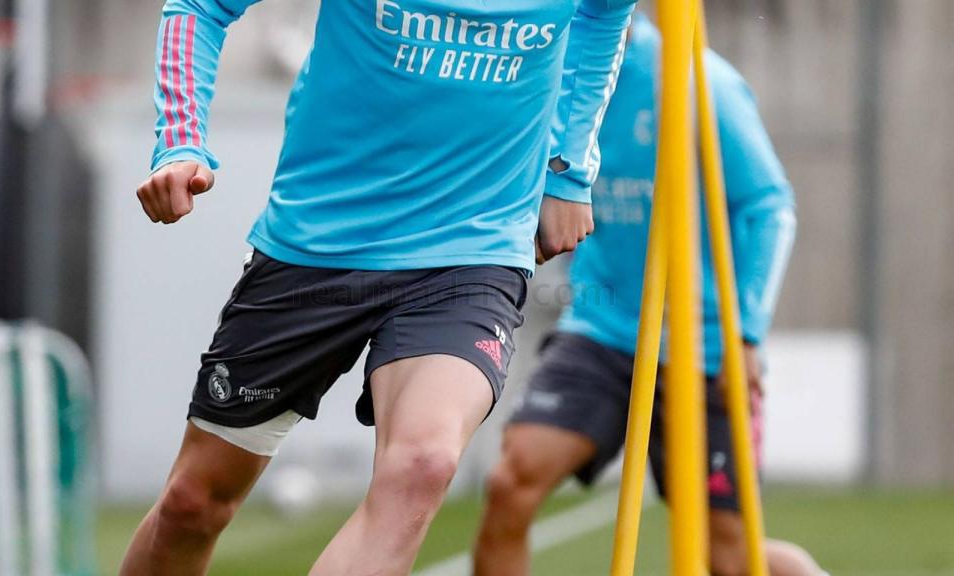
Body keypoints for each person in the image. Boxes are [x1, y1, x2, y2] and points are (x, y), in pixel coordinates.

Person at [120, 0, 639, 574]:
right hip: (316, 247)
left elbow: (603, 15)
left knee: (423, 465)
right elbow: (199, 6)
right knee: (195, 504)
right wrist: (180, 140)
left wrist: (569, 168)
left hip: (473, 247)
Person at [473, 13, 824, 576]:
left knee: (729, 559)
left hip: (703, 344)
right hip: (602, 329)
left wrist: (746, 333)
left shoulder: (697, 83)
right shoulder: (546, 75)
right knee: (509, 484)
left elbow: (770, 208)